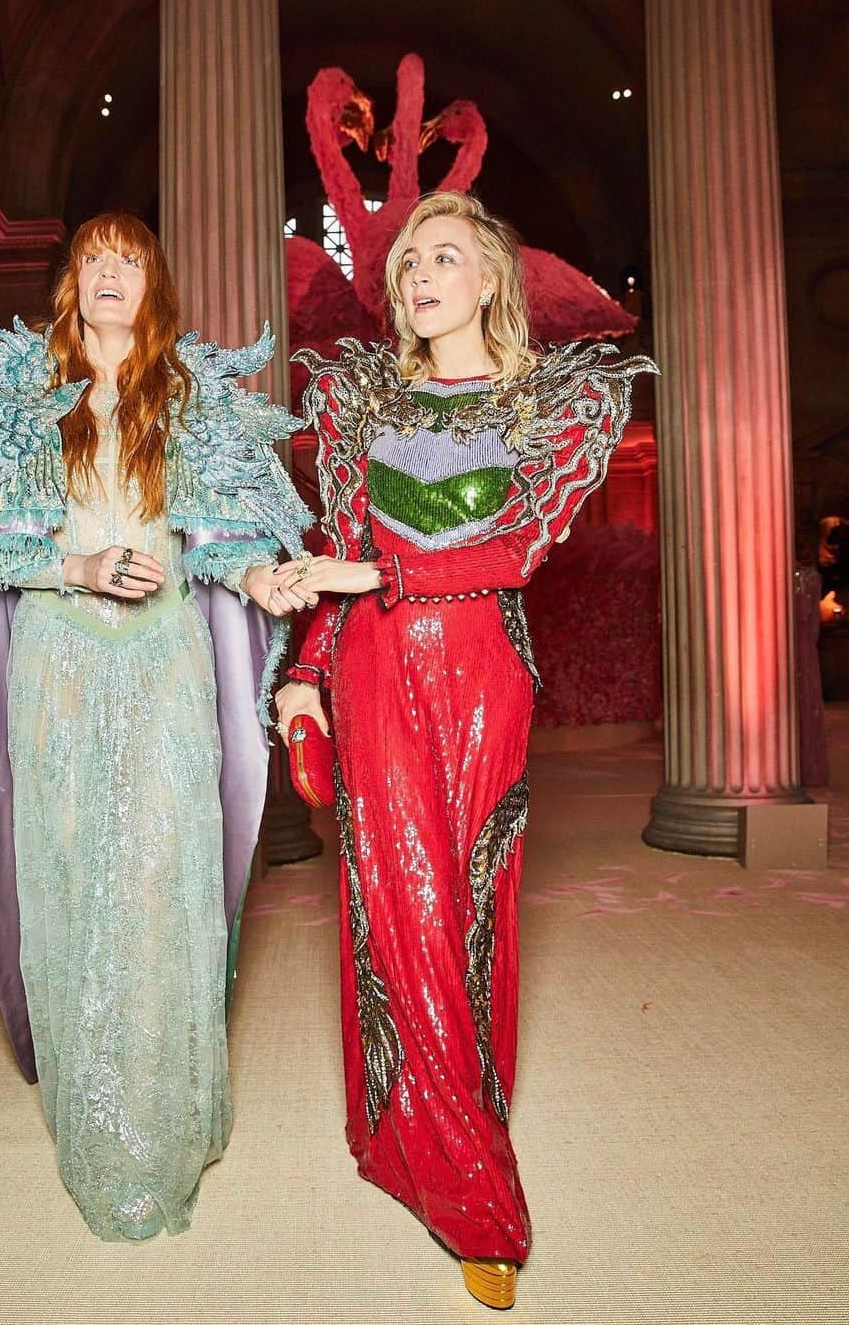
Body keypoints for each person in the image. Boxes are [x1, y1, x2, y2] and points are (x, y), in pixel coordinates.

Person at [0, 211, 311, 1240]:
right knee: (78, 869)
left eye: (130, 260)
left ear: (156, 284)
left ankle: (167, 1112)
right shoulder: (15, 399)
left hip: (166, 660)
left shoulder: (195, 400)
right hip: (62, 665)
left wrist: (258, 572)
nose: (111, 275)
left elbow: (218, 542)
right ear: (69, 282)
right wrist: (70, 565)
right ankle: (96, 1118)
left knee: (163, 871)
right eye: (94, 259)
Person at [275, 191, 655, 1309]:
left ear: (491, 279)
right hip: (377, 670)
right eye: (409, 268)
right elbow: (342, 547)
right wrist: (304, 676)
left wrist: (374, 575)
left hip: (484, 668)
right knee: (399, 903)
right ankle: (470, 1188)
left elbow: (517, 554)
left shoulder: (553, 407)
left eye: (445, 258)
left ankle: (443, 1122)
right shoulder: (358, 402)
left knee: (469, 903)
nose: (422, 279)